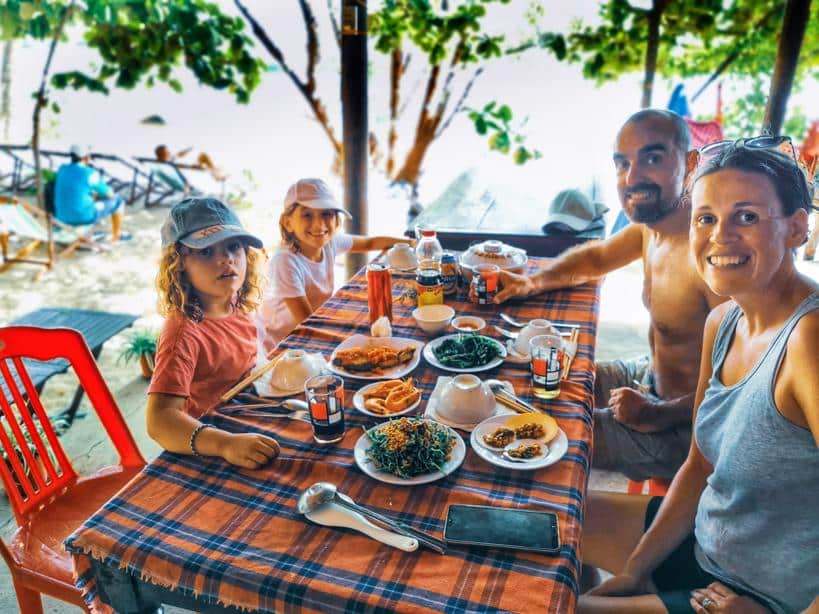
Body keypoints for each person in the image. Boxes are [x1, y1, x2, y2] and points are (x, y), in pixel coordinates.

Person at [578, 143, 818, 614]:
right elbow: (700, 466)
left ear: (796, 227)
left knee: (554, 606)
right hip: (704, 541)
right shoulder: (725, 320)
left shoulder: (808, 340)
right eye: (705, 218)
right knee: (544, 525)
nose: (720, 236)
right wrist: (634, 570)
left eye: (746, 217)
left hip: (759, 598)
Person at [494, 109, 724, 482]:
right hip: (649, 375)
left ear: (691, 162)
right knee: (530, 381)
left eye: (652, 158)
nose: (632, 178)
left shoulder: (711, 258)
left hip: (688, 426)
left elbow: (740, 388)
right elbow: (597, 257)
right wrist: (530, 282)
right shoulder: (655, 228)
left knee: (537, 437)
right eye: (622, 164)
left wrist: (658, 413)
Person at [146, 197, 280, 469]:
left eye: (234, 247)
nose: (225, 259)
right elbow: (159, 421)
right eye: (206, 252)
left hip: (249, 417)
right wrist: (225, 444)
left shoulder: (235, 302)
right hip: (214, 445)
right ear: (179, 263)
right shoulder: (183, 332)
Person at [258, 178, 411, 353]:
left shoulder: (330, 242)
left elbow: (370, 243)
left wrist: (411, 243)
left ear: (336, 220)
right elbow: (306, 322)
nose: (319, 225)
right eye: (307, 215)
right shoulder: (286, 261)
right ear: (287, 223)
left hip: (315, 324)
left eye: (327, 214)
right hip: (286, 345)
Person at [54, 144, 126, 241]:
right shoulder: (89, 173)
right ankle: (116, 235)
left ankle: (89, 234)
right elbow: (109, 194)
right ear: (87, 158)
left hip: (61, 216)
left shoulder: (62, 169)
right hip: (83, 217)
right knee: (118, 200)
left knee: (87, 200)